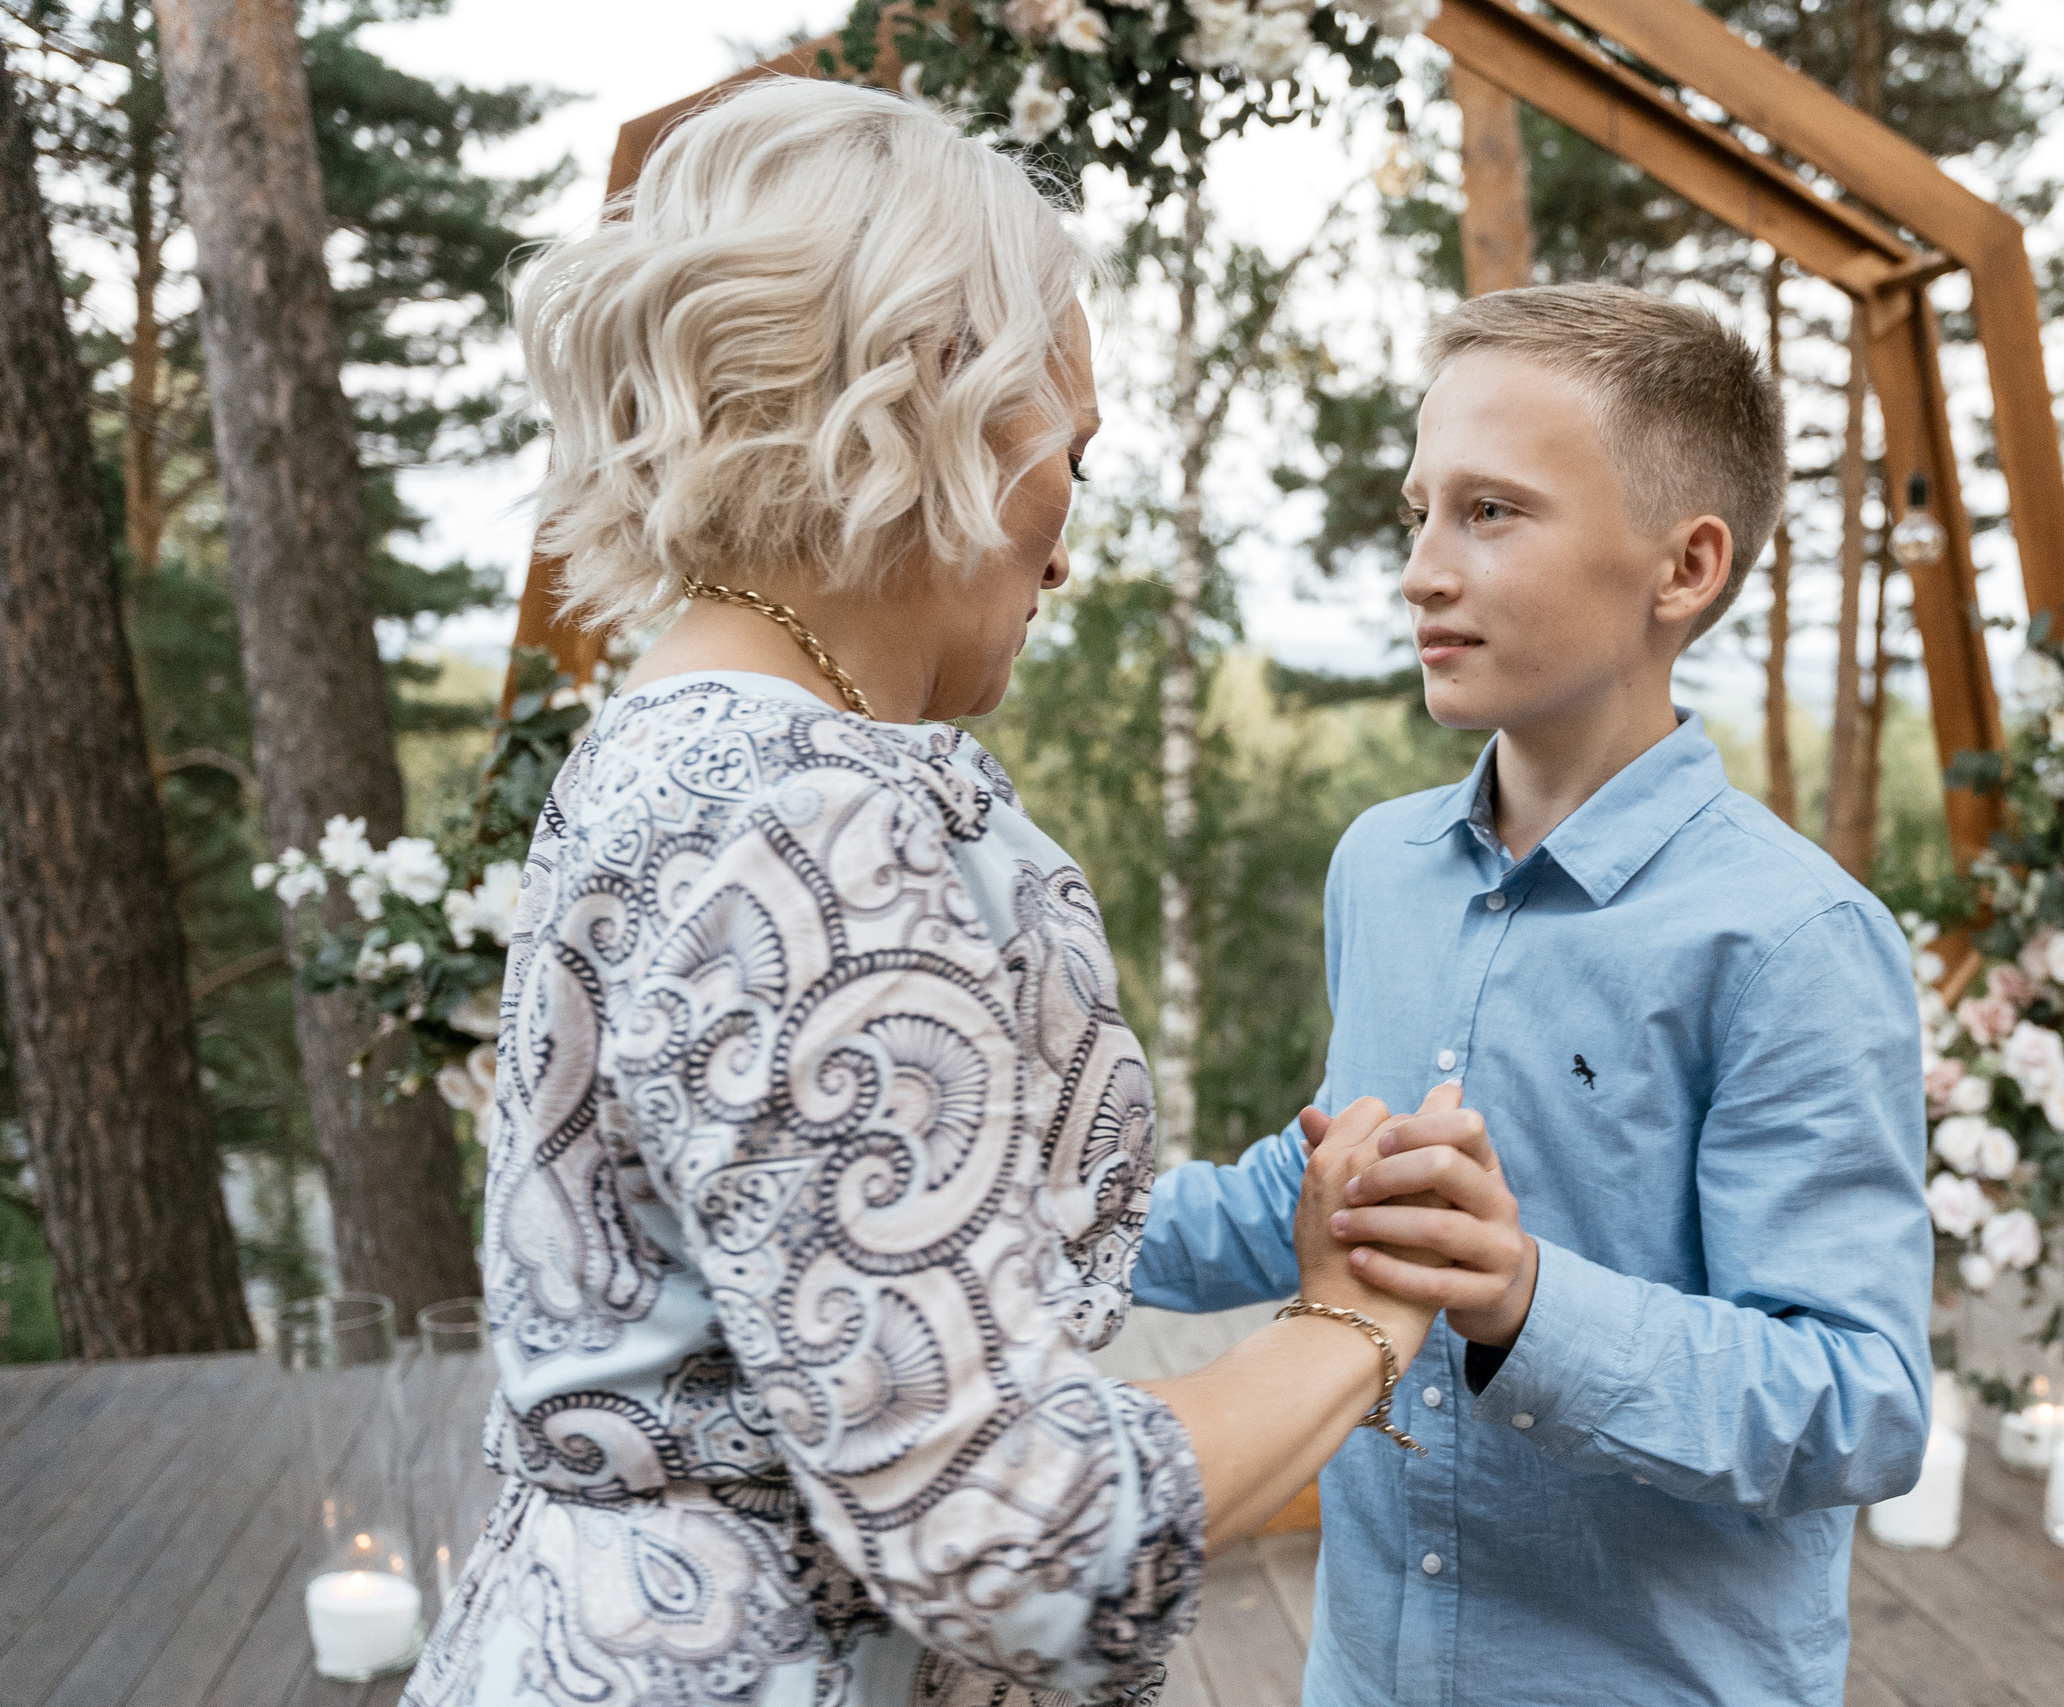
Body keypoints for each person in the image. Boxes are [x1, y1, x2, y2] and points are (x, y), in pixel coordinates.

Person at [405, 80, 1477, 1707]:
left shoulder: (665, 748)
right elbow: (1008, 1538)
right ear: (934, 405)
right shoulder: (817, 824)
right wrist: (1356, 1324)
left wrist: (1280, 1214)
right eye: (1075, 457)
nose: (1066, 544)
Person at [1134, 284, 1936, 1707]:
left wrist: (1525, 1303)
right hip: (1366, 1678)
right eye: (1417, 511)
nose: (1422, 571)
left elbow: (1860, 1406)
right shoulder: (1378, 868)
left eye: (1492, 513)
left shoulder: (1795, 937)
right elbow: (1331, 1190)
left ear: (1683, 569)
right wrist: (1026, 1216)